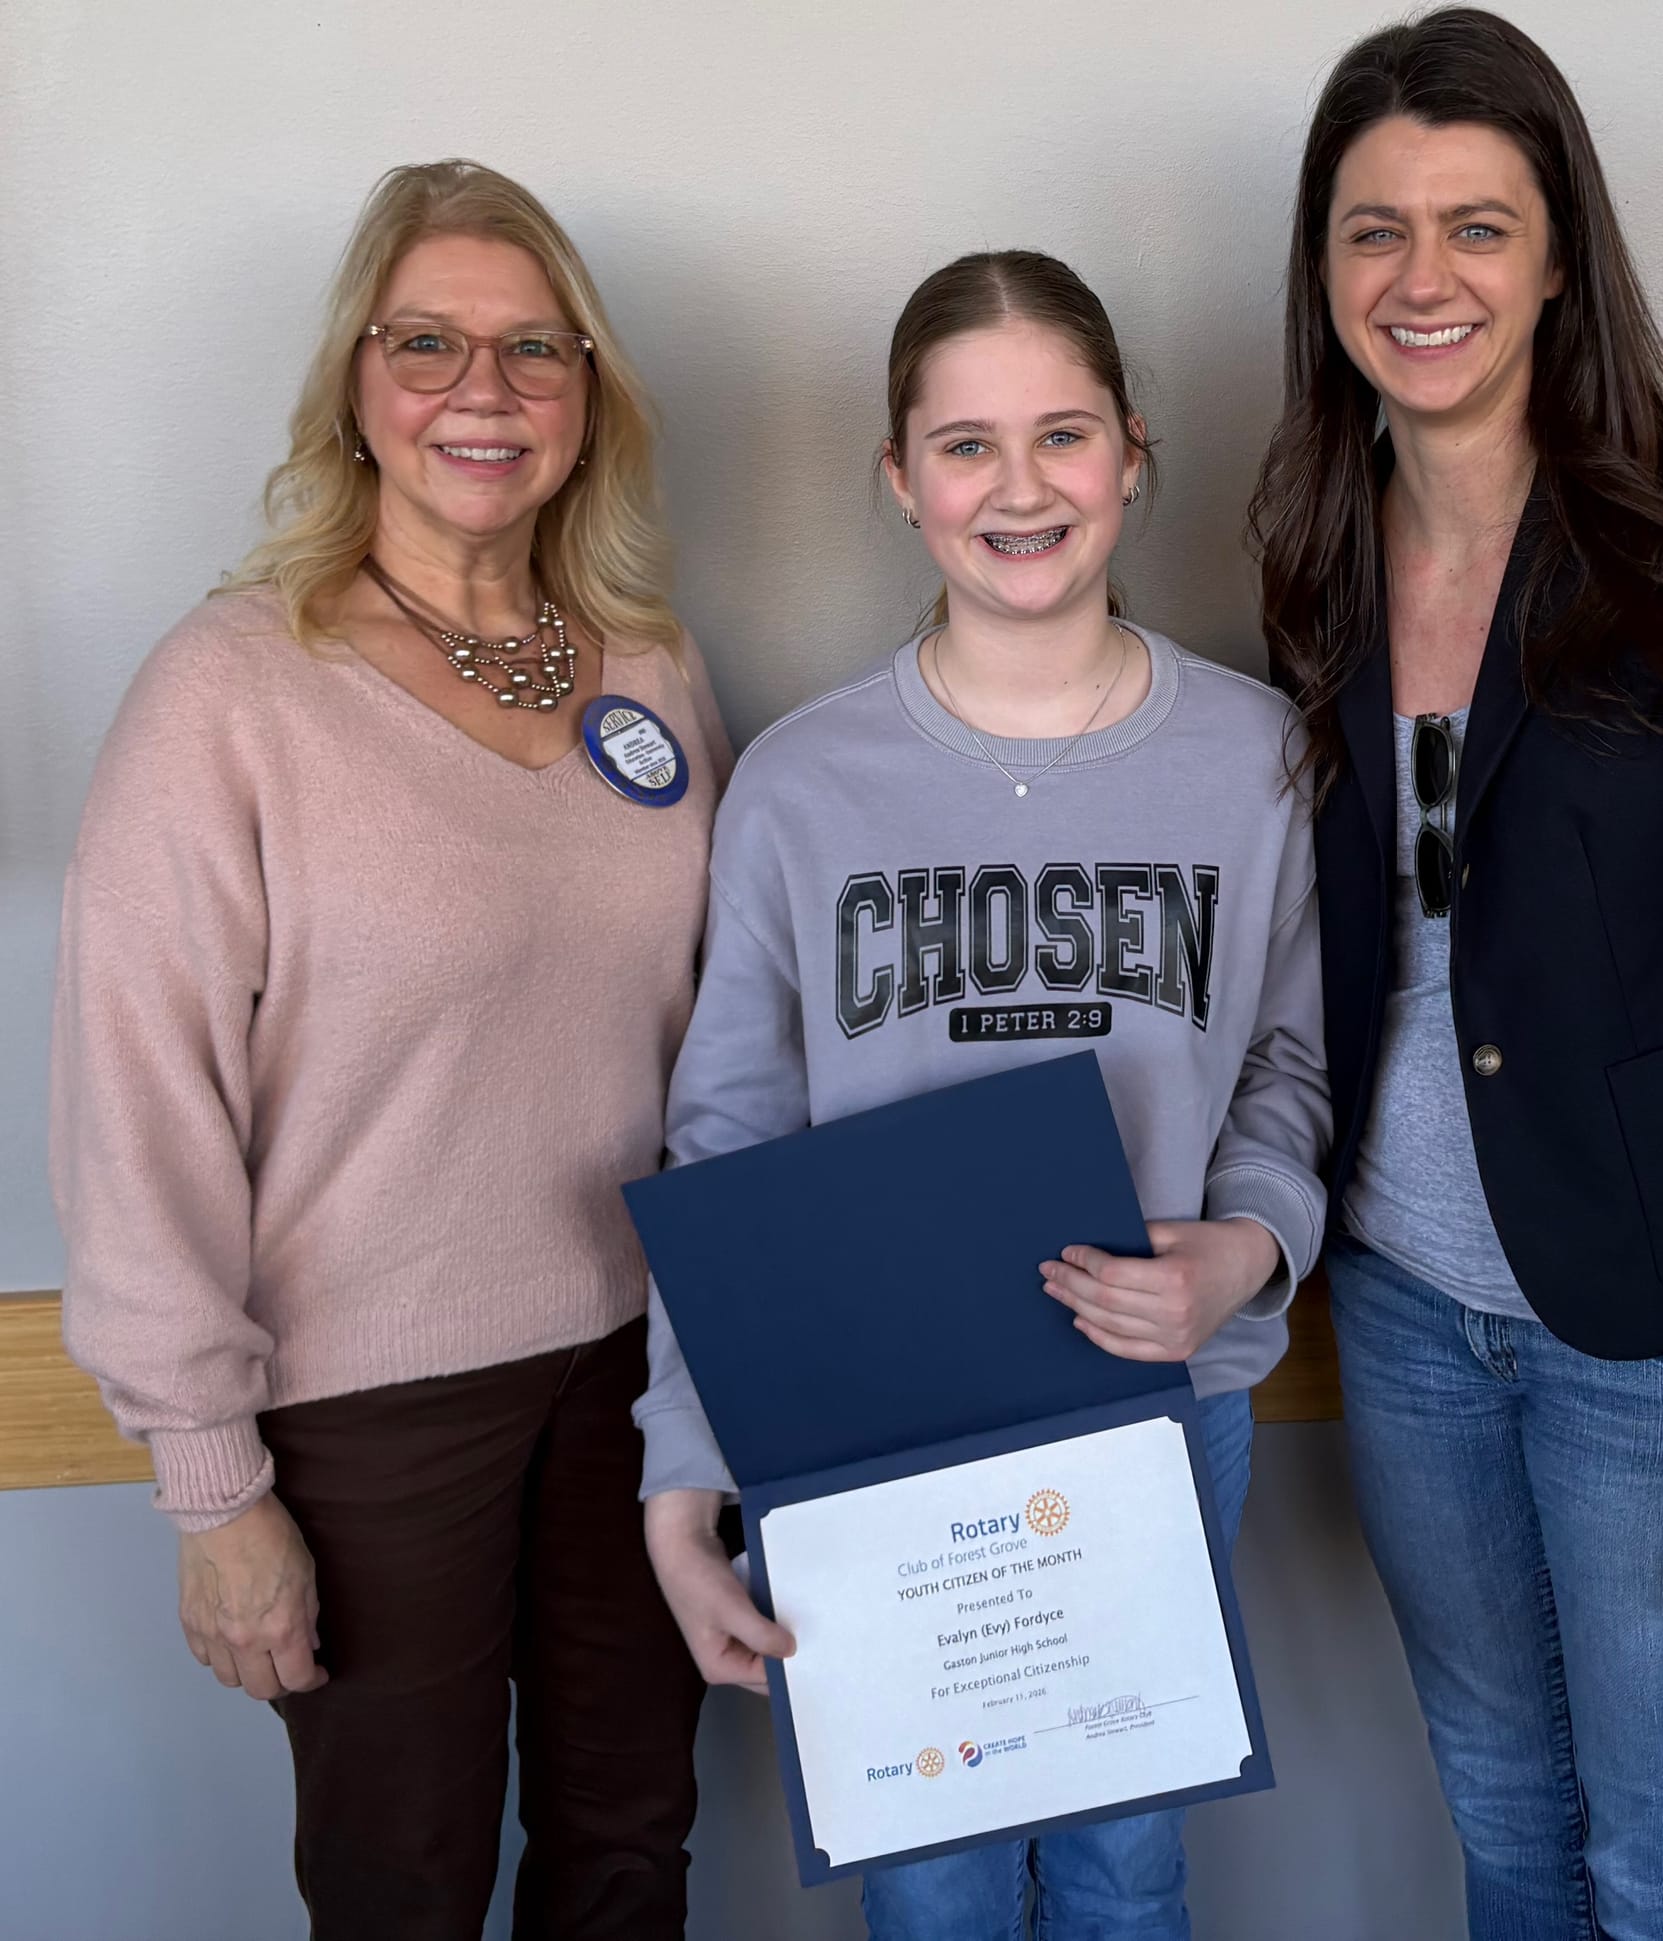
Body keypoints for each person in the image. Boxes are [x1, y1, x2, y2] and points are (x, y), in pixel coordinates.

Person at [1249, 12, 1663, 1937]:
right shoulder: (1317, 552)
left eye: (1476, 226)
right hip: (1409, 1311)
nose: (1422, 278)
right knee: (1513, 1835)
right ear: (1326, 269)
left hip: (1662, 1345)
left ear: (1555, 258)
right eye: (1375, 232)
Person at [50, 160, 726, 1940]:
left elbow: (723, 1030)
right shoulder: (232, 689)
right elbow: (140, 1102)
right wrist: (213, 1485)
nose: (479, 392)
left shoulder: (647, 668)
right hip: (368, 1411)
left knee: (630, 1854)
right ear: (355, 385)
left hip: (643, 1381)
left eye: (531, 349)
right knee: (400, 1891)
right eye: (425, 342)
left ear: (591, 398)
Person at [636, 249, 1330, 1940]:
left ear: (1134, 453)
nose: (1019, 489)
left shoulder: (1257, 759)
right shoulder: (803, 782)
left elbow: (1295, 1064)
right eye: (964, 445)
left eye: (1063, 434)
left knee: (1123, 1868)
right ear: (899, 478)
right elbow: (725, 1138)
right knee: (931, 1884)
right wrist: (682, 1470)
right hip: (873, 1426)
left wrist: (1245, 1253)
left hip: (1159, 1404)